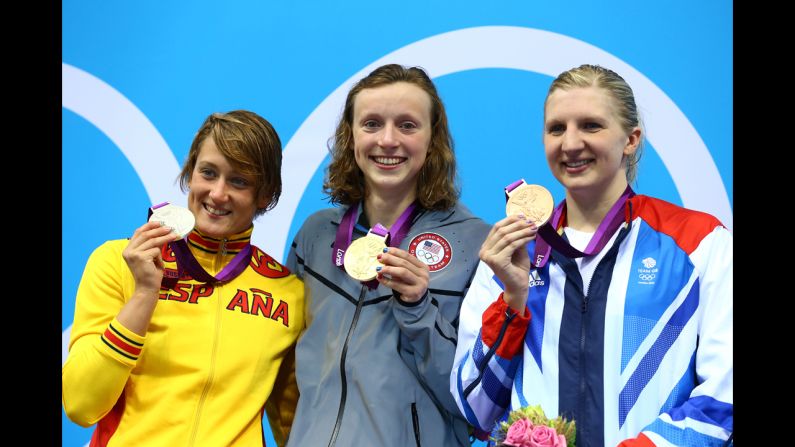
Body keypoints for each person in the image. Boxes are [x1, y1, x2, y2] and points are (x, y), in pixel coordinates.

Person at [452, 64, 733, 447]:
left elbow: (724, 397)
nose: (570, 143)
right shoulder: (513, 251)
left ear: (631, 139)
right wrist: (511, 303)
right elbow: (476, 412)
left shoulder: (698, 243)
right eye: (556, 129)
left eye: (591, 126)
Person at [62, 110, 304, 446]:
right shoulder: (118, 262)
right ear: (190, 173)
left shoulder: (288, 294)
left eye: (239, 181)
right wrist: (146, 293)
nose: (218, 194)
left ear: (266, 195)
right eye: (208, 173)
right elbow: (81, 404)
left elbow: (296, 427)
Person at [284, 64, 490, 447]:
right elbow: (286, 376)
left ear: (433, 139)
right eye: (372, 124)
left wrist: (418, 308)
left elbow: (478, 404)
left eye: (408, 125)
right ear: (351, 137)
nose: (388, 140)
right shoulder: (315, 235)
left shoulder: (473, 244)